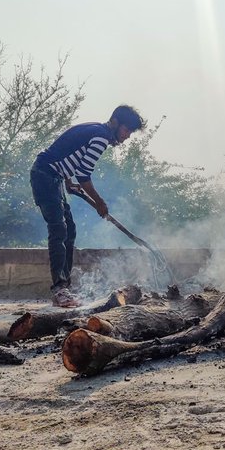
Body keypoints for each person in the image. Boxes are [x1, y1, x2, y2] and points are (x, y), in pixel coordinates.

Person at [30, 105, 146, 307]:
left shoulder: (95, 130)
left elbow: (67, 153)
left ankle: (65, 285)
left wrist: (67, 180)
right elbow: (84, 175)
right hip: (45, 176)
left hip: (54, 177)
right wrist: (99, 202)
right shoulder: (100, 137)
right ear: (116, 122)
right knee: (59, 229)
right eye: (127, 131)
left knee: (69, 230)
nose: (127, 137)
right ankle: (59, 290)